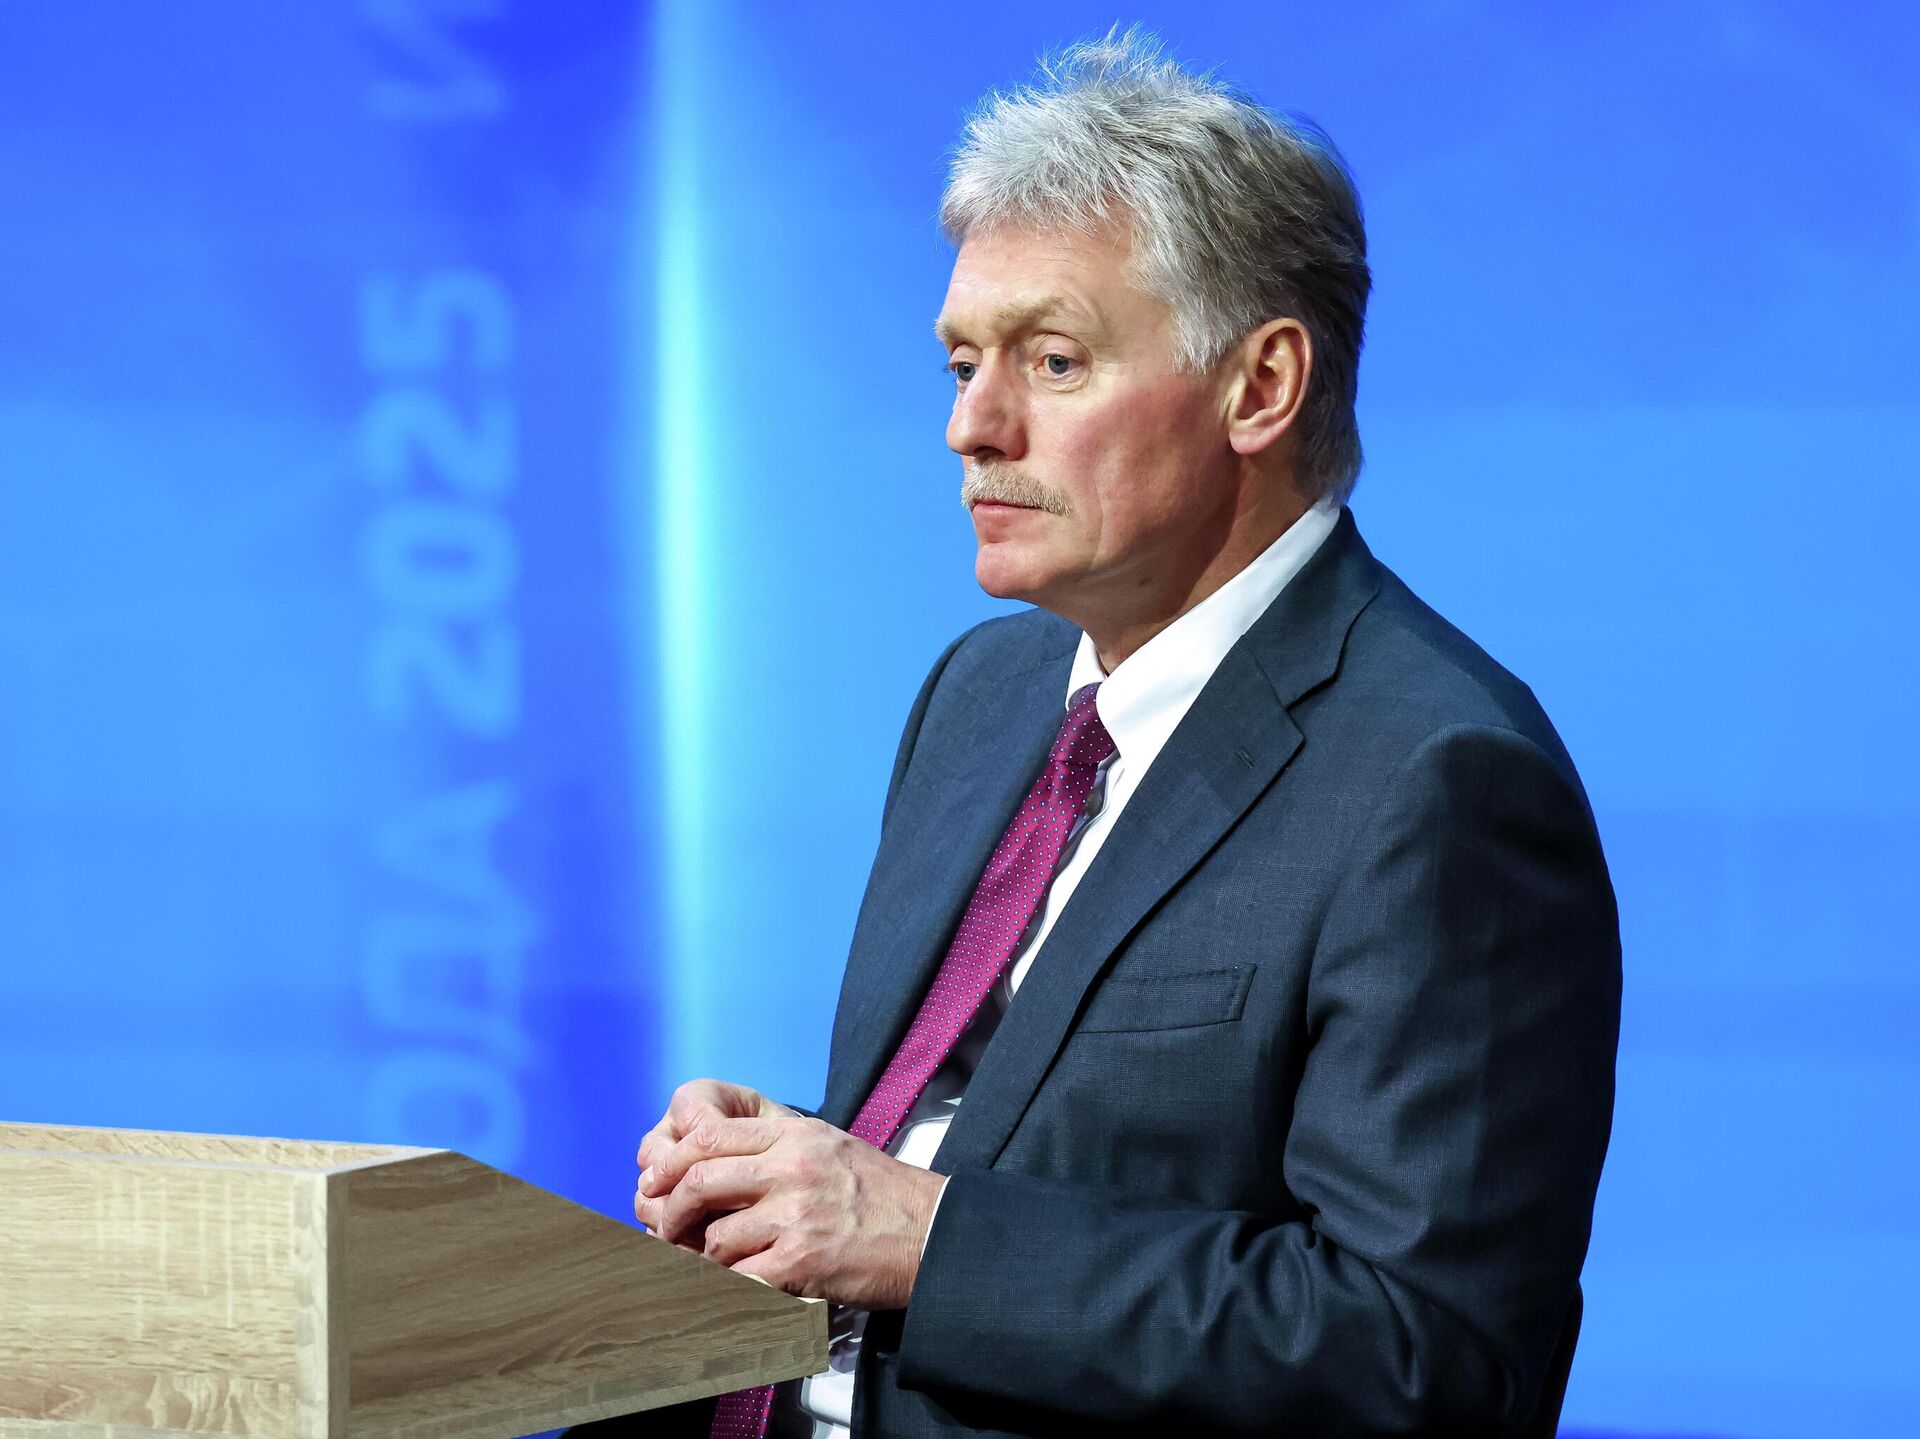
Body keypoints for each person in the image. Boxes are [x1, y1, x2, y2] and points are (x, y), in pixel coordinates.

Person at [619, 29, 1620, 1439]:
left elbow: (1426, 1360)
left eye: (1053, 360)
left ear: (1259, 387)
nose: (973, 426)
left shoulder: (1439, 778)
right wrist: (787, 1177)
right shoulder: (981, 695)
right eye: (961, 362)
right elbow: (1018, 1146)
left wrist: (918, 1234)